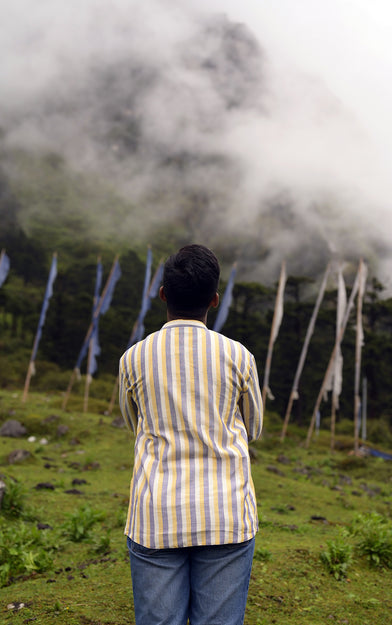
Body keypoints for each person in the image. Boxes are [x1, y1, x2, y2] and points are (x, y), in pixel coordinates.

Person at [119, 244, 263, 625]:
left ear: (163, 294)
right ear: (214, 300)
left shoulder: (134, 357)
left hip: (155, 515)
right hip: (226, 515)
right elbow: (254, 428)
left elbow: (135, 422)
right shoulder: (238, 356)